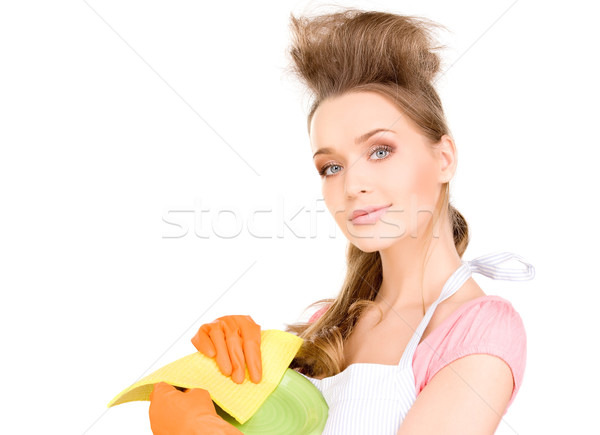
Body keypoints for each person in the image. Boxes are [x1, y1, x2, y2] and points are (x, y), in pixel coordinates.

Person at [148, 7, 535, 434]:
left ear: (443, 158)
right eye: (331, 166)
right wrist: (219, 377)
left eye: (380, 150)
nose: (352, 185)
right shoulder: (327, 325)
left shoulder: (477, 329)